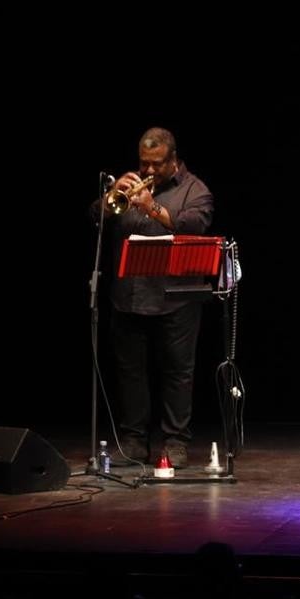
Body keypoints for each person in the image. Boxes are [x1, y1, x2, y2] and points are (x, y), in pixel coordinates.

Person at [94, 127, 214, 468]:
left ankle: (175, 441)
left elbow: (194, 226)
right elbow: (94, 218)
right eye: (144, 163)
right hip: (128, 296)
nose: (148, 171)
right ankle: (133, 441)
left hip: (175, 298)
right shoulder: (129, 186)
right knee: (131, 372)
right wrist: (109, 198)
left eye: (156, 164)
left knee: (177, 372)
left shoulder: (195, 190)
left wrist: (152, 208)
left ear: (173, 160)